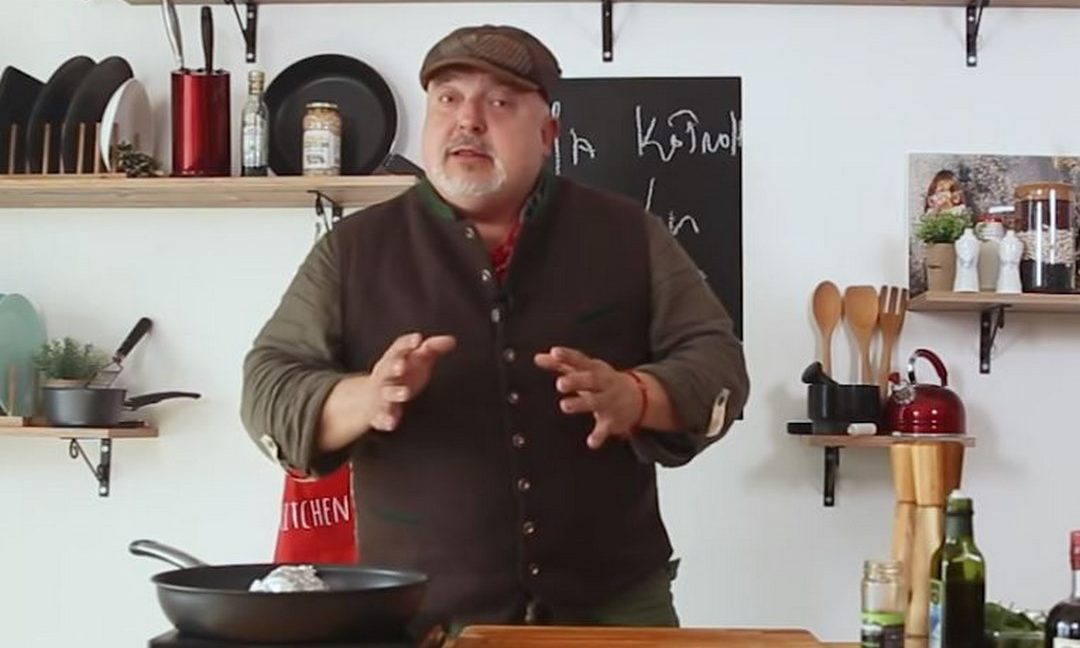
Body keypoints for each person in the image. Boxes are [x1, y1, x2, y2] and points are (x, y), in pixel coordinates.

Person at [241, 24, 749, 637]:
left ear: (547, 134)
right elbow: (267, 388)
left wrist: (636, 396)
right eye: (448, 99)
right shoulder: (351, 251)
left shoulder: (630, 234)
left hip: (614, 607)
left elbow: (718, 362)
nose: (468, 120)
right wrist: (364, 398)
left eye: (500, 101)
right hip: (423, 618)